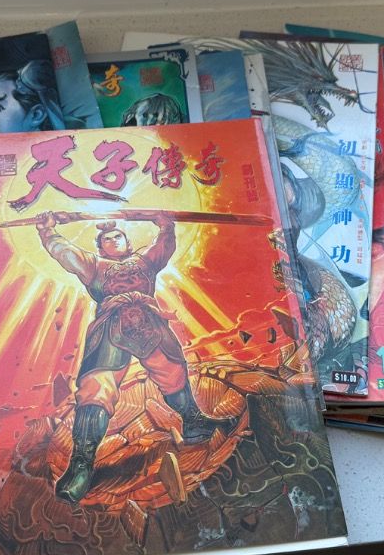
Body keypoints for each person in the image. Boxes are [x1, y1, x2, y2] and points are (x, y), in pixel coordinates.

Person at [35, 210, 237, 504]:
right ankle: (81, 464)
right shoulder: (94, 265)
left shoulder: (144, 261)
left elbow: (163, 245)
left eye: (118, 236)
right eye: (107, 239)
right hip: (111, 327)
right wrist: (48, 231)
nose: (113, 241)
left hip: (149, 323)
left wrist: (164, 224)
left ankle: (194, 423)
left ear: (127, 241)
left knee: (173, 371)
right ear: (100, 246)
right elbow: (65, 252)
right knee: (96, 390)